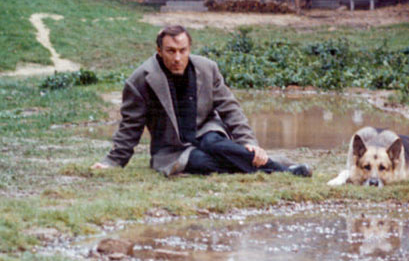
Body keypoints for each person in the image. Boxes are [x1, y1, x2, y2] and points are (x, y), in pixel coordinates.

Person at [91, 24, 311, 177]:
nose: (177, 58)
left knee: (214, 143)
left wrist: (250, 143)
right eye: (170, 51)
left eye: (182, 50)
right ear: (159, 51)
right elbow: (130, 126)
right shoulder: (140, 80)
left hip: (207, 131)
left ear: (190, 49)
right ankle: (279, 167)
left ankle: (270, 165)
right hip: (173, 148)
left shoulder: (207, 68)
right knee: (202, 162)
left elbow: (230, 109)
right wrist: (113, 162)